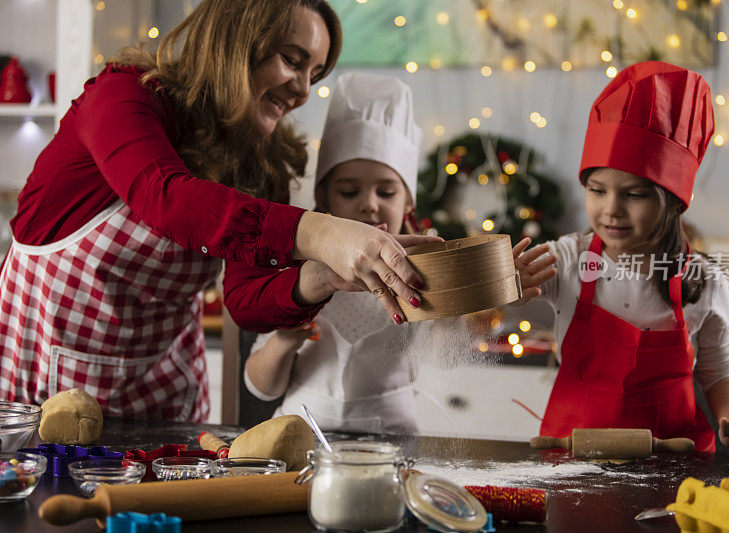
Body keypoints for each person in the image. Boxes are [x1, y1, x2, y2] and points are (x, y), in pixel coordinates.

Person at [0, 0, 441, 422]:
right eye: (292, 60)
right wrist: (325, 234)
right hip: (46, 382)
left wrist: (322, 275)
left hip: (164, 392)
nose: (304, 90)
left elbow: (245, 301)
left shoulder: (261, 162)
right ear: (237, 39)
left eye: (315, 74)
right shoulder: (122, 97)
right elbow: (166, 197)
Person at [244, 72, 556, 433]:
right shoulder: (298, 273)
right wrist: (284, 340)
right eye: (349, 192)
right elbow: (261, 386)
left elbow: (442, 359)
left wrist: (476, 301)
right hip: (299, 434)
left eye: (386, 192)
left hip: (390, 440)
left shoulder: (423, 271)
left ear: (408, 199)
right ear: (324, 198)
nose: (369, 206)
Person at [538, 61, 729, 453]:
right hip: (571, 463)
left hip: (673, 469)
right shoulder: (567, 259)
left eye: (634, 195)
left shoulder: (704, 281)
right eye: (597, 190)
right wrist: (505, 276)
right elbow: (499, 290)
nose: (611, 209)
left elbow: (720, 374)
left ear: (673, 203)